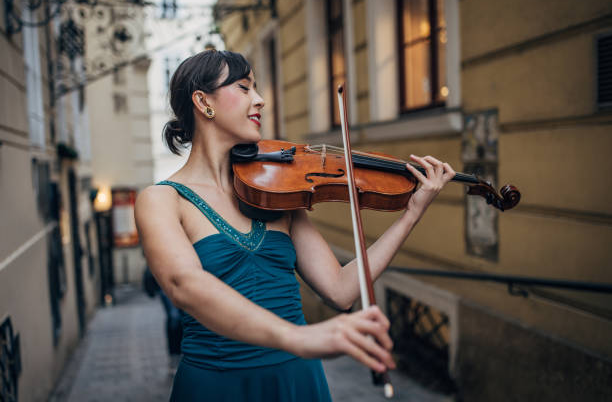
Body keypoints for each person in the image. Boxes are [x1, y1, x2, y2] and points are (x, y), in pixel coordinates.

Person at [134, 49, 456, 401]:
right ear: (203, 101)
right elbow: (186, 285)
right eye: (243, 88)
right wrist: (300, 337)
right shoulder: (162, 200)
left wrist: (410, 214)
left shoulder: (276, 193)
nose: (259, 100)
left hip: (296, 380)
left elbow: (340, 290)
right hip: (217, 384)